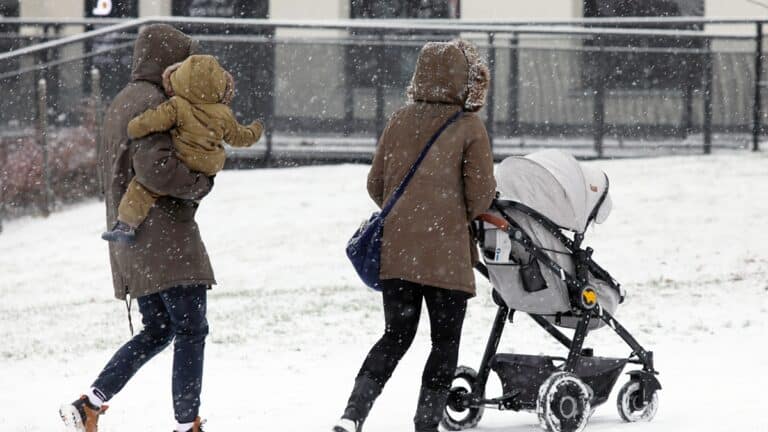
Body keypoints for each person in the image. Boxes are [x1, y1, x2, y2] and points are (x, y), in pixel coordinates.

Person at [59, 24, 216, 432]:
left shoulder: (121, 102)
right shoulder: (155, 102)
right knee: (191, 329)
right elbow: (156, 168)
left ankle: (89, 404)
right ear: (169, 61)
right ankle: (187, 425)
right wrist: (200, 183)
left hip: (131, 239)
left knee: (159, 329)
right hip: (164, 239)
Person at [333, 39, 497, 432]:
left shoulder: (399, 119)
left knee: (395, 336)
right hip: (447, 258)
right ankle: (425, 425)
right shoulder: (469, 126)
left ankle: (353, 414)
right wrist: (448, 209)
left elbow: (376, 184)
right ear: (463, 78)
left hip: (399, 254)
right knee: (444, 343)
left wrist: (409, 212)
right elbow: (479, 197)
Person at [102, 54, 263, 243]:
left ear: (180, 80)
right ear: (221, 85)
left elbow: (154, 120)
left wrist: (134, 127)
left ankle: (126, 225)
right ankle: (189, 200)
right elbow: (239, 137)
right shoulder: (223, 114)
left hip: (182, 157)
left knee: (142, 188)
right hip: (207, 165)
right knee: (195, 188)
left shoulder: (178, 106)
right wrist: (256, 129)